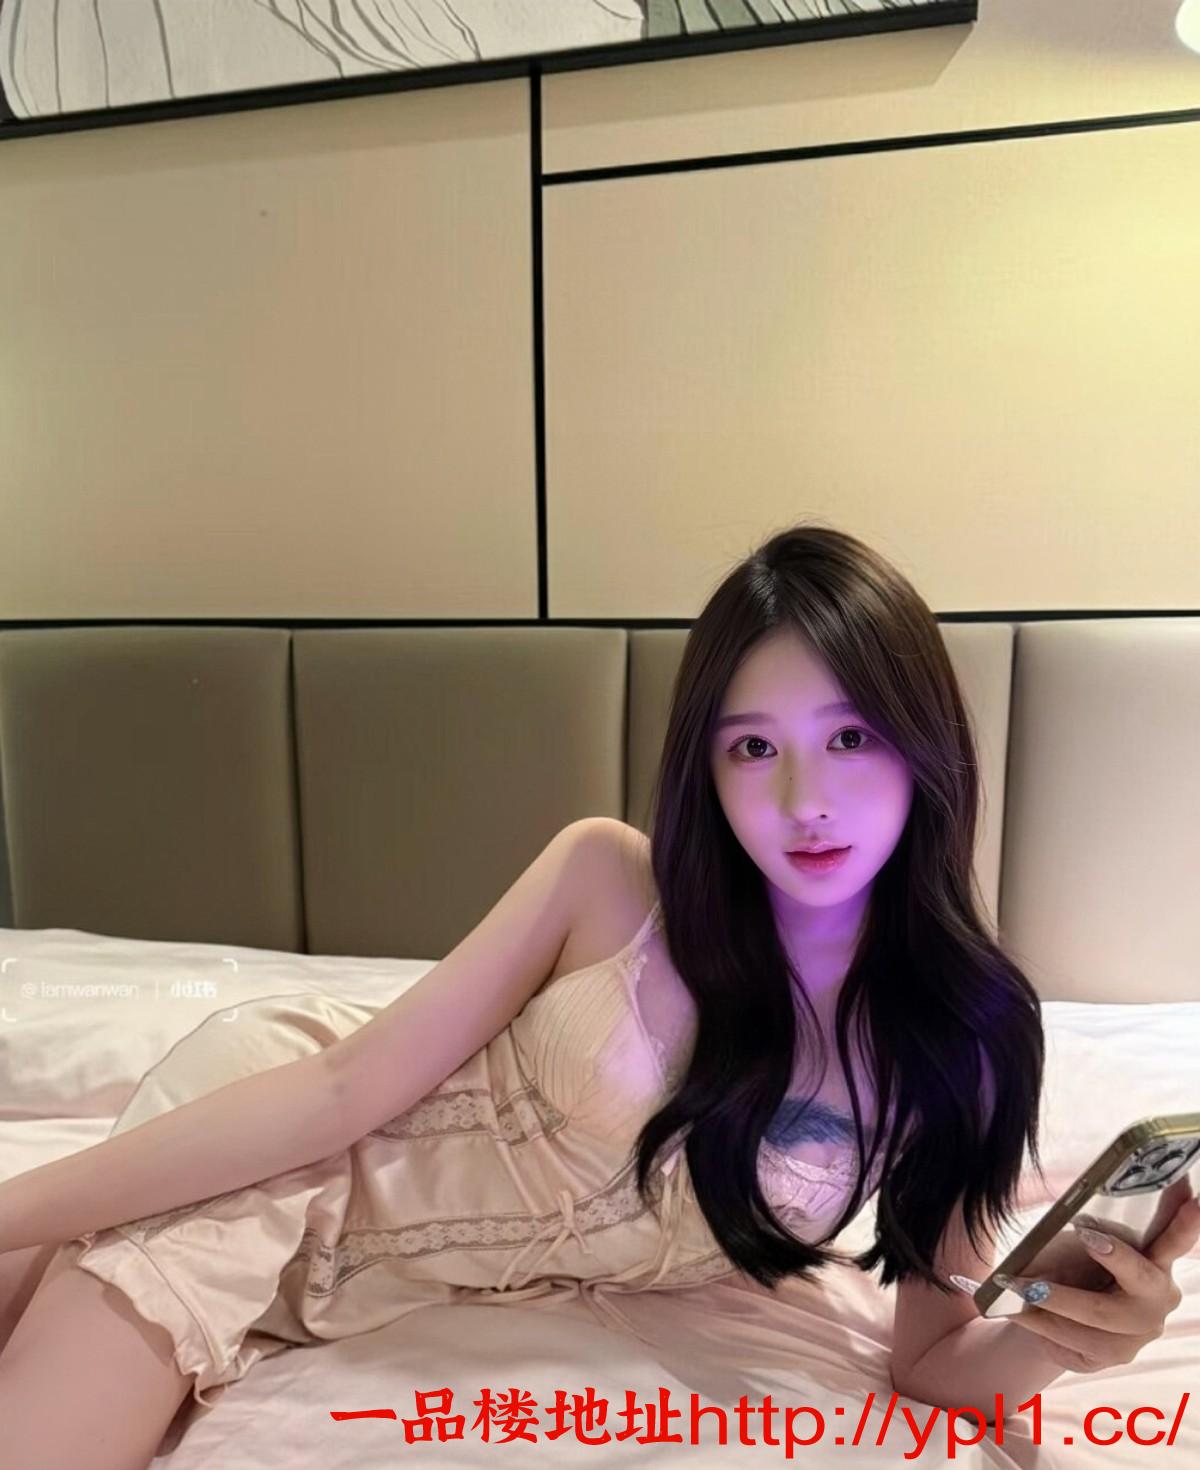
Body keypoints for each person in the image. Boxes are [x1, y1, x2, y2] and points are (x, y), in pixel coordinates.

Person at [0, 520, 1196, 1470]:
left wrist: (1063, 1335)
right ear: (706, 768)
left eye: (849, 738)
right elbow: (336, 1090)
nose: (804, 802)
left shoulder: (963, 1042)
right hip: (277, 1170)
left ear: (924, 741)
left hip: (361, 1292)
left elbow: (933, 1363)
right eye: (753, 748)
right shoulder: (610, 882)